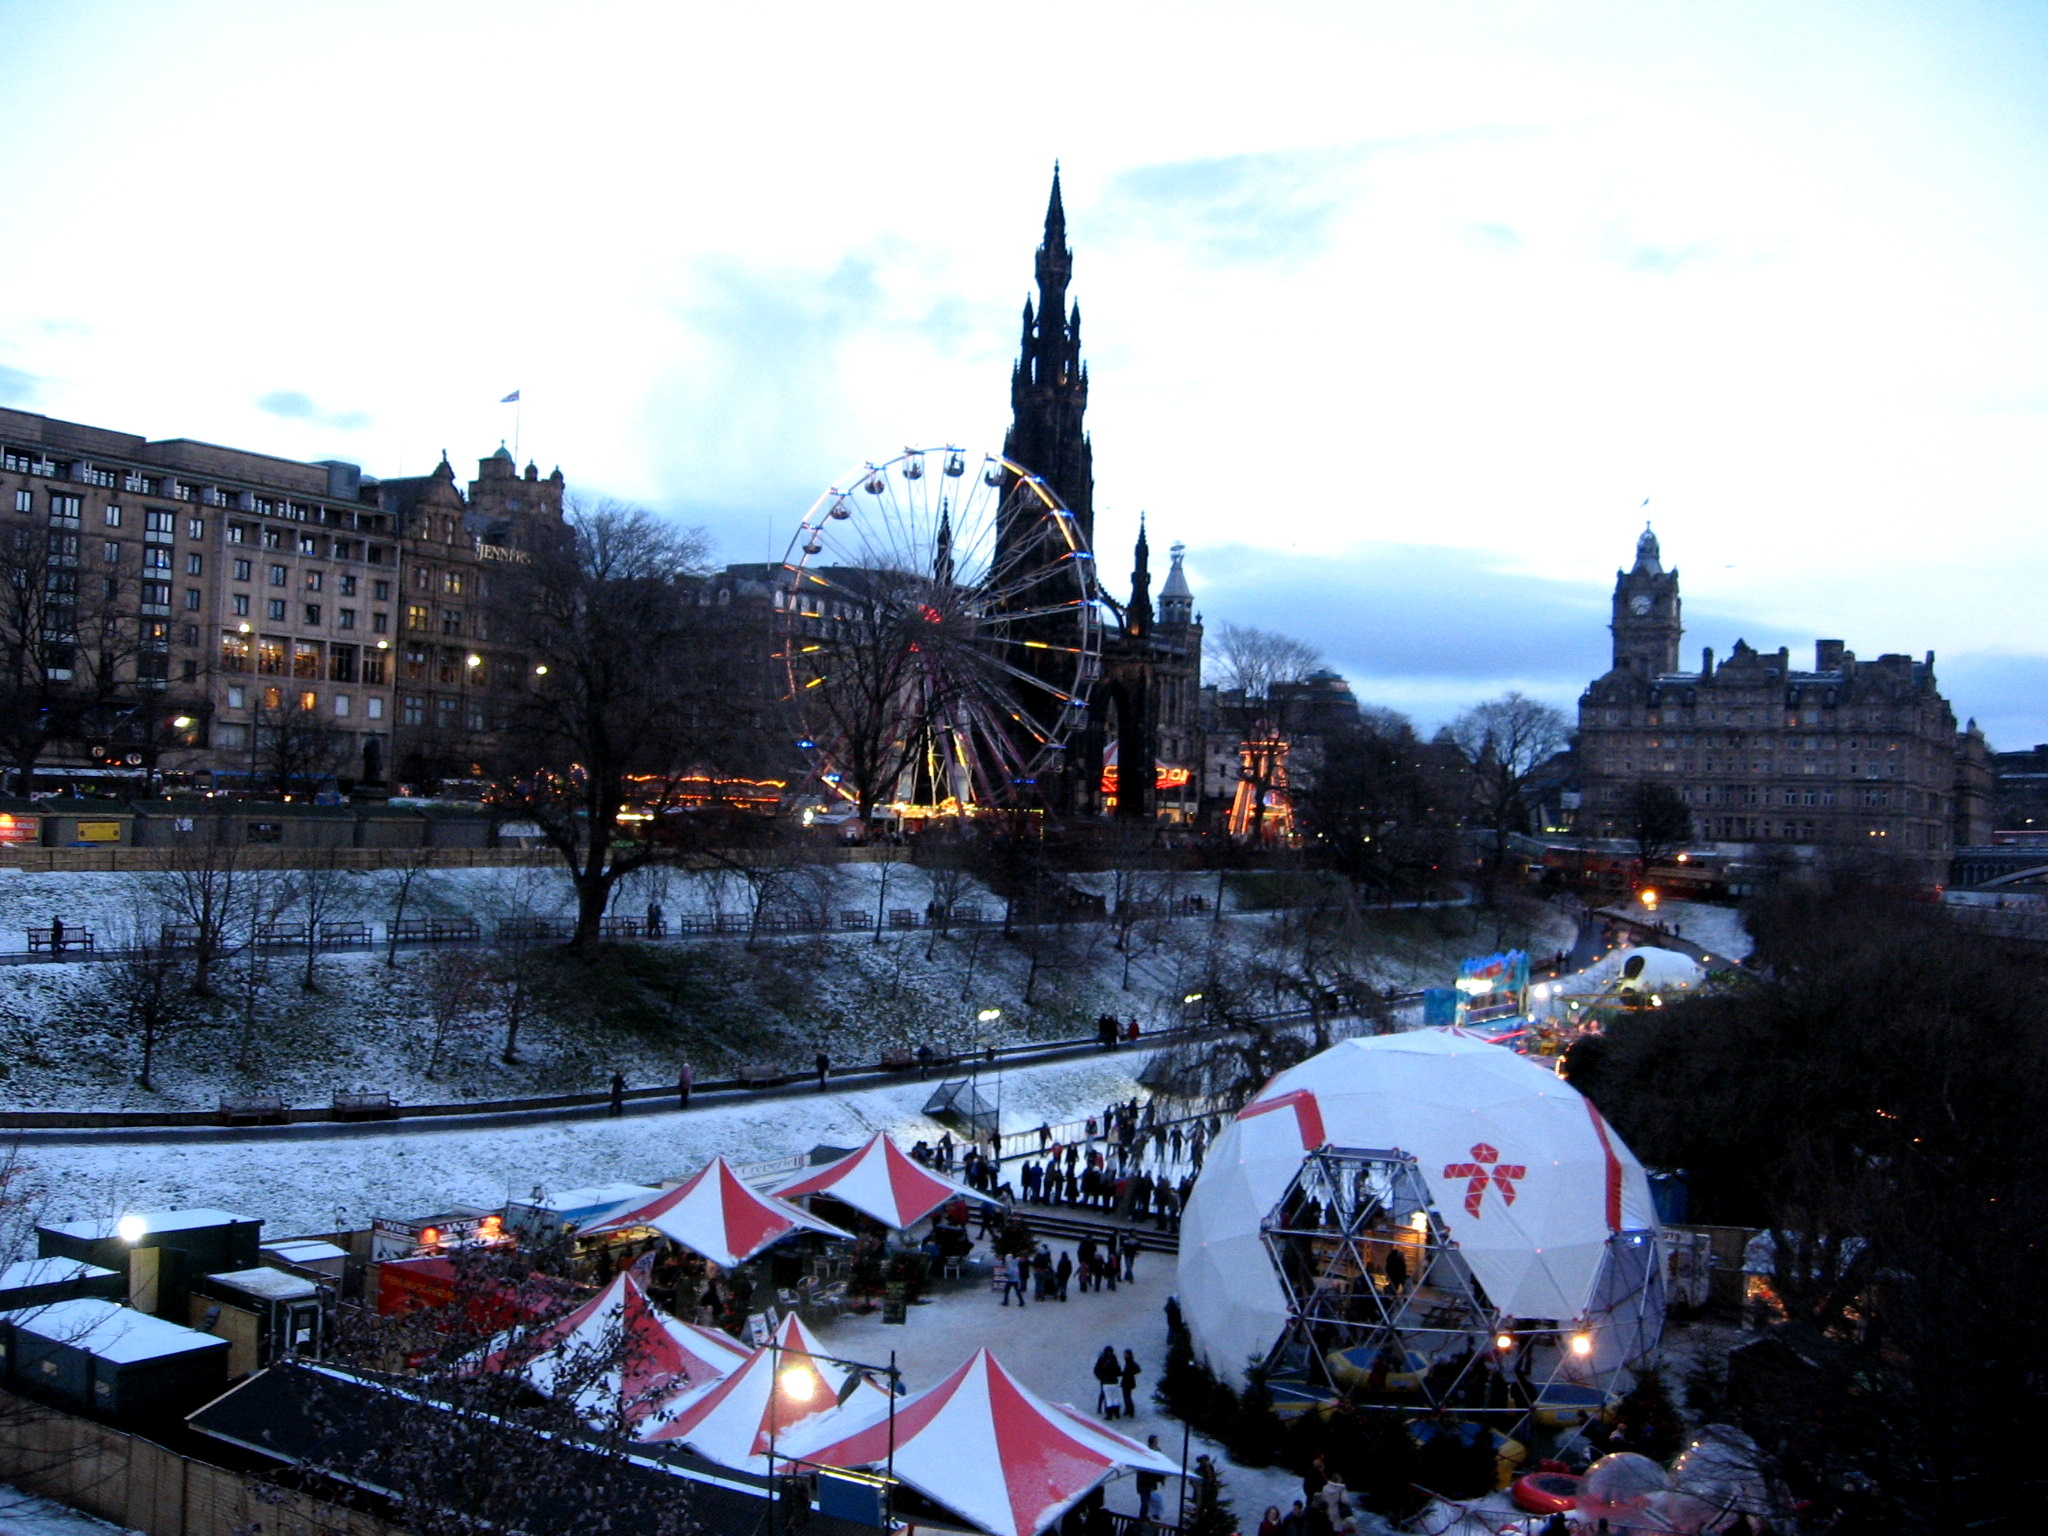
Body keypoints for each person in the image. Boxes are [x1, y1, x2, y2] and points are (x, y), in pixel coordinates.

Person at [1135, 1438, 1167, 1522]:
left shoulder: (1157, 1452)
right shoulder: (1146, 1452)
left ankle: (1151, 1515)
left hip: (1152, 1483)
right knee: (1145, 1502)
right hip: (1145, 1483)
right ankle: (1143, 1518)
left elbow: (1160, 1467)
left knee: (1153, 1500)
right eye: (1156, 1441)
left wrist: (1161, 1478)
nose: (1157, 1443)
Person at [1093, 1345, 1122, 1418]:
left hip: (1106, 1380)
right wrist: (1100, 1377)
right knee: (1107, 1395)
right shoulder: (1107, 1358)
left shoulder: (1109, 1358)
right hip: (1107, 1379)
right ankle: (1107, 1410)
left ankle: (1108, 1411)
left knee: (1107, 1395)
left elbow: (1096, 1369)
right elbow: (1097, 1369)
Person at [1120, 1348, 1140, 1418]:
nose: (1124, 1356)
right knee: (1127, 1397)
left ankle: (1130, 1411)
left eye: (1125, 1354)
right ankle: (1128, 1410)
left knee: (1127, 1397)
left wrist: (1127, 1374)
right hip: (1129, 1382)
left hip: (1127, 1382)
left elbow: (1136, 1370)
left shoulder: (1130, 1363)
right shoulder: (1130, 1362)